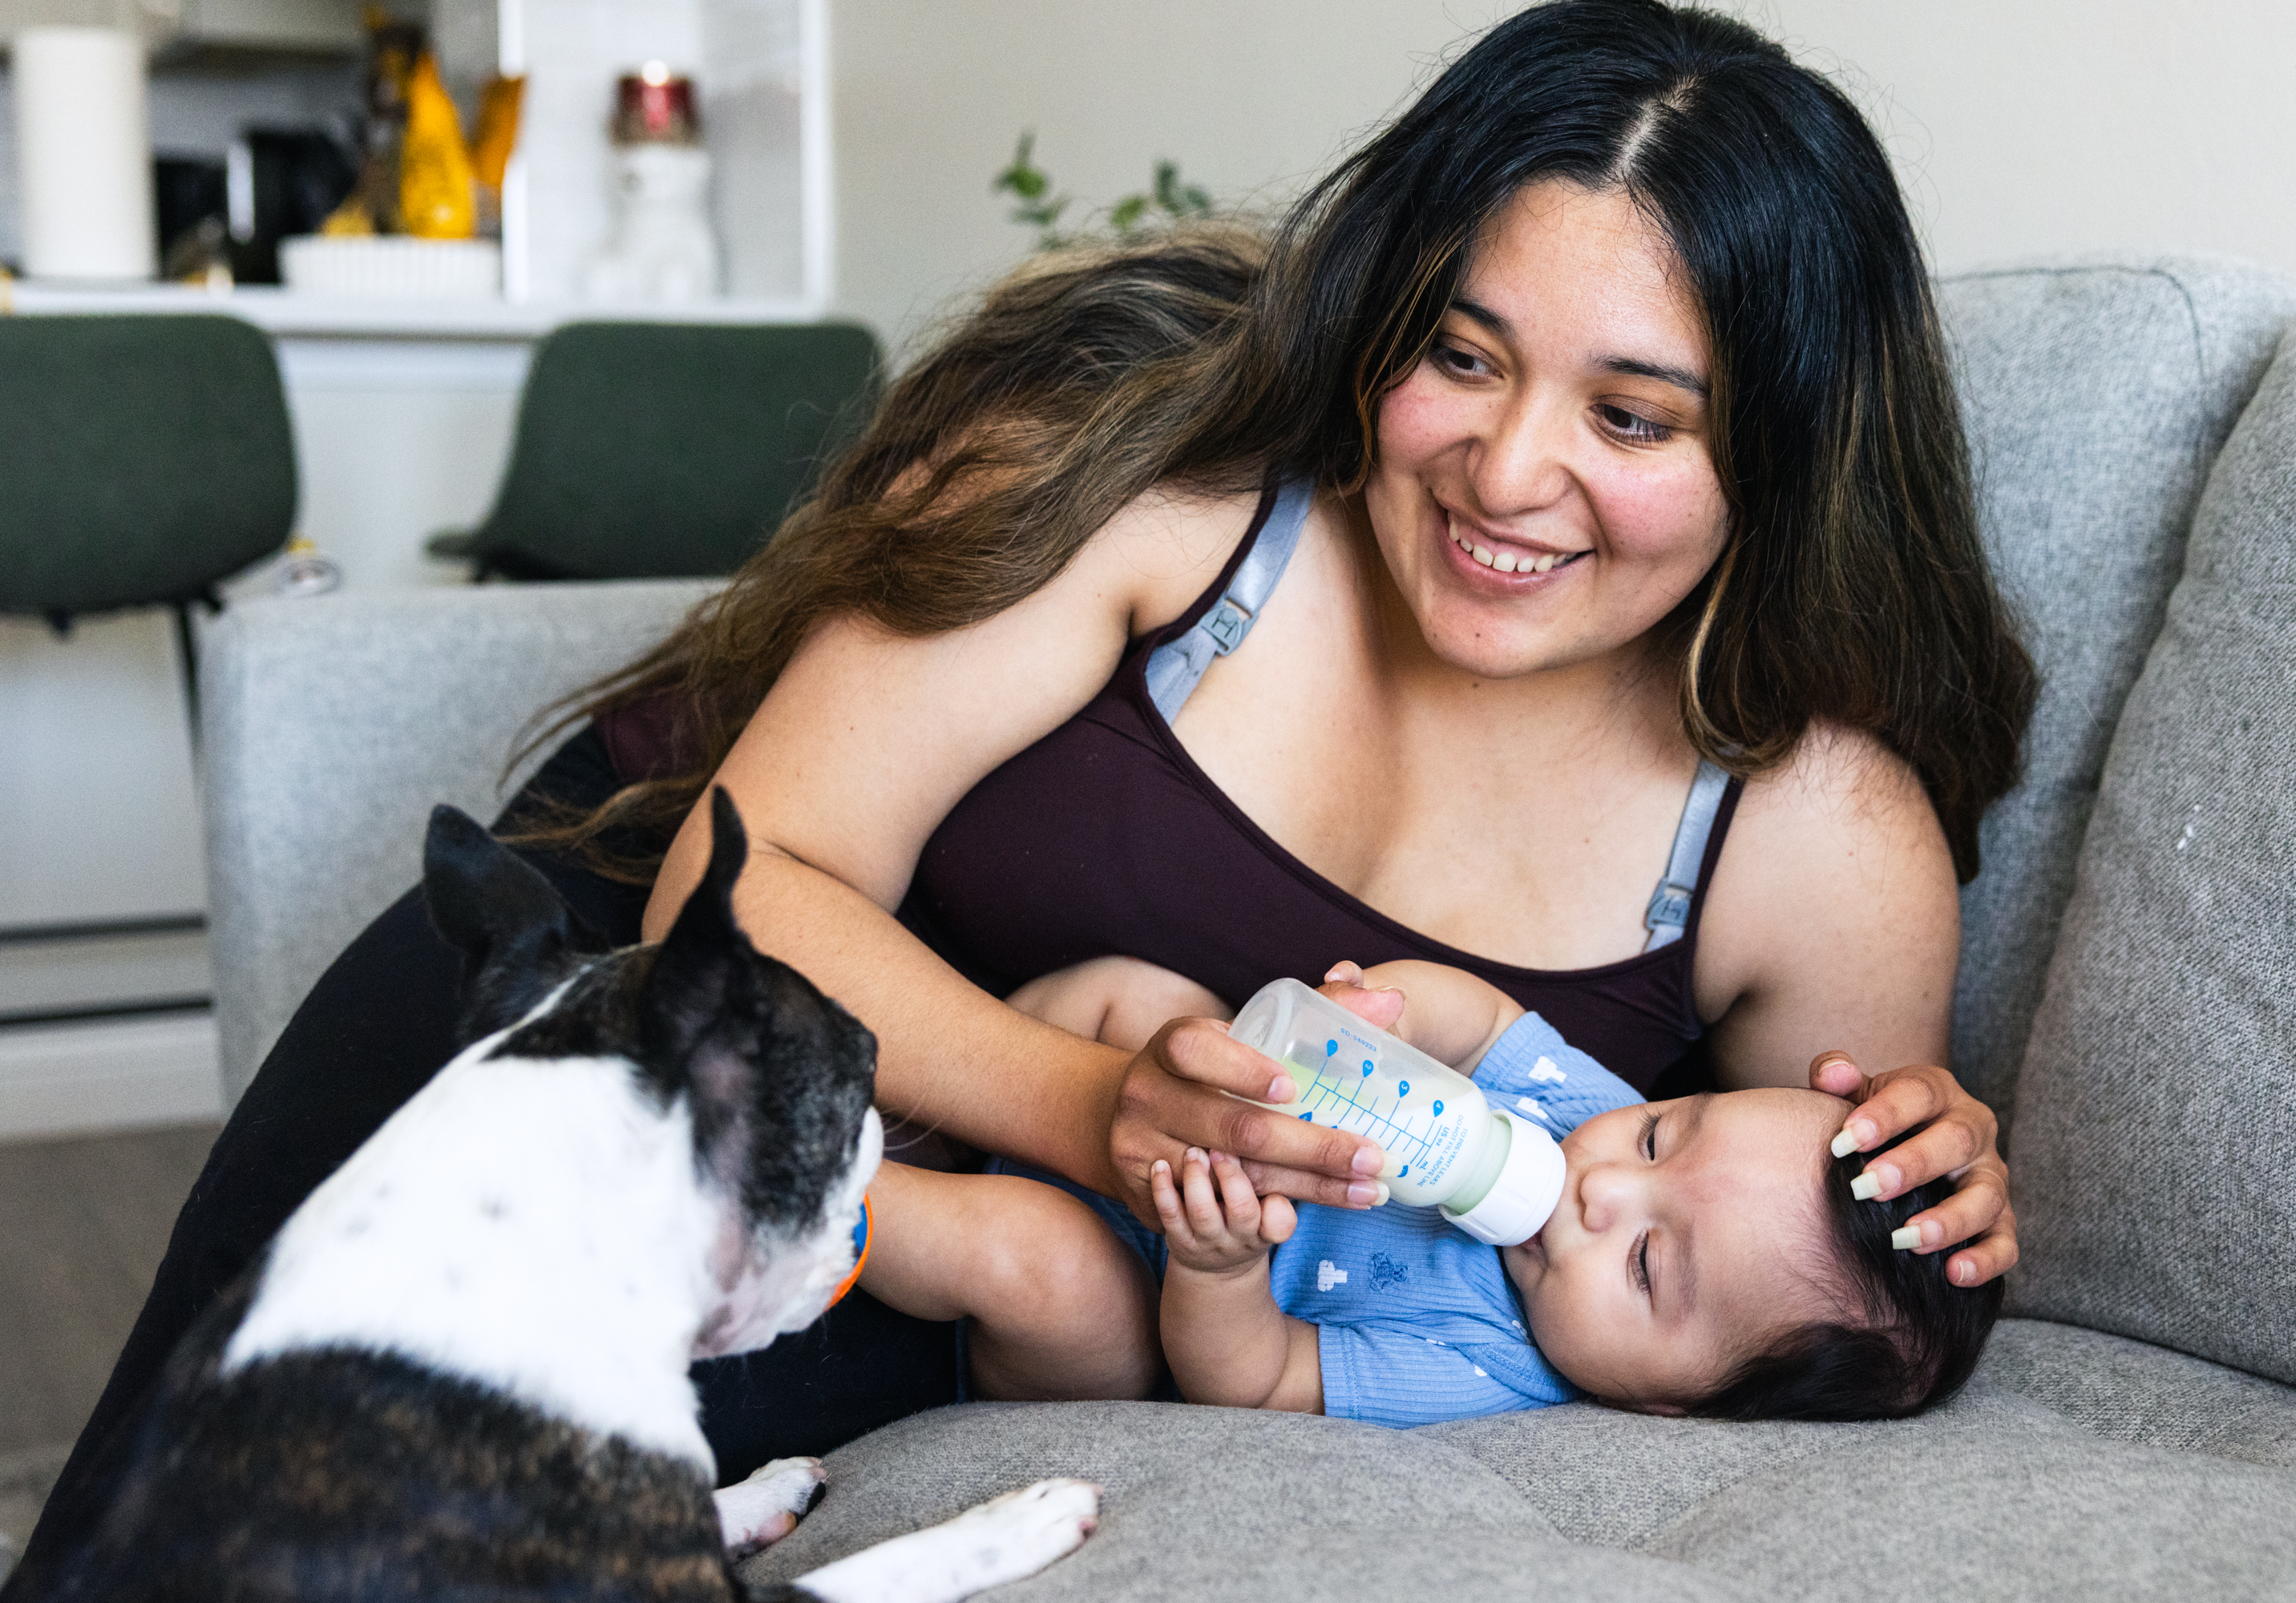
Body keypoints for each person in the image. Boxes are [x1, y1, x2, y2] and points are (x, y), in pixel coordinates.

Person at [21, 0, 2033, 1571]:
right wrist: (1100, 1104)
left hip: (1013, 1286)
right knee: (218, 1502)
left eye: (1631, 414)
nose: (1509, 477)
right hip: (681, 1007)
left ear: (1786, 451)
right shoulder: (1168, 471)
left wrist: (1939, 1184)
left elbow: (1824, 1297)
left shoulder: (1819, 839)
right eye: (1466, 356)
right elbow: (752, 868)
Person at [860, 957, 2000, 1425]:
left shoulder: (1480, 1365)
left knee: (1046, 1269)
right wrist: (1386, 1009)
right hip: (1133, 1123)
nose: (1602, 1190)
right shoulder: (1577, 1123)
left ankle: (808, 1186)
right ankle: (885, 1097)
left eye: (1651, 1265)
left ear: (1671, 1409)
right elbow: (1483, 1021)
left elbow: (1250, 1382)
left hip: (1136, 1296)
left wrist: (1218, 1265)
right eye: (1661, 1133)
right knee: (1137, 996)